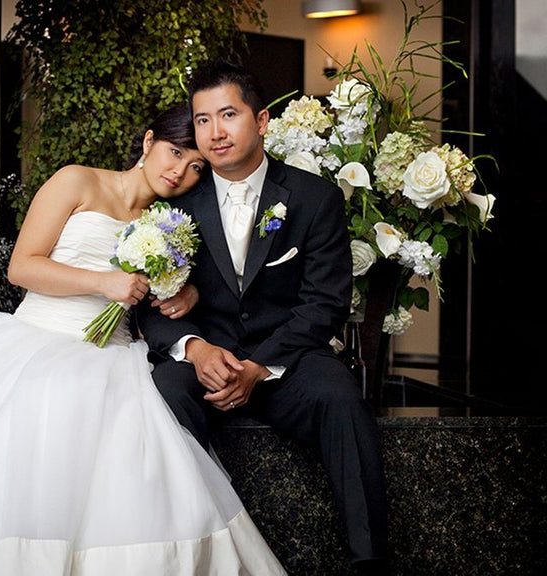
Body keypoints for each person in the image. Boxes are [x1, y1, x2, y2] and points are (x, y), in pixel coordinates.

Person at [0, 105, 287, 575]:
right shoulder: (77, 182)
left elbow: (160, 303)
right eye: (174, 152)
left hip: (119, 355)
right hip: (39, 342)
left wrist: (184, 290)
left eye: (195, 167)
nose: (179, 171)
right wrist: (102, 282)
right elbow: (21, 266)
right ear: (148, 143)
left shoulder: (175, 220)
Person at [136, 60, 390, 576]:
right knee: (163, 386)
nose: (214, 132)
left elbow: (324, 304)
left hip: (287, 360)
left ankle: (370, 560)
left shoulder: (314, 198)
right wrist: (196, 347)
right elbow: (151, 303)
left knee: (340, 396)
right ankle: (191, 553)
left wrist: (259, 368)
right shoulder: (178, 201)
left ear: (263, 120)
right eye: (202, 120)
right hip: (207, 357)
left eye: (228, 114)